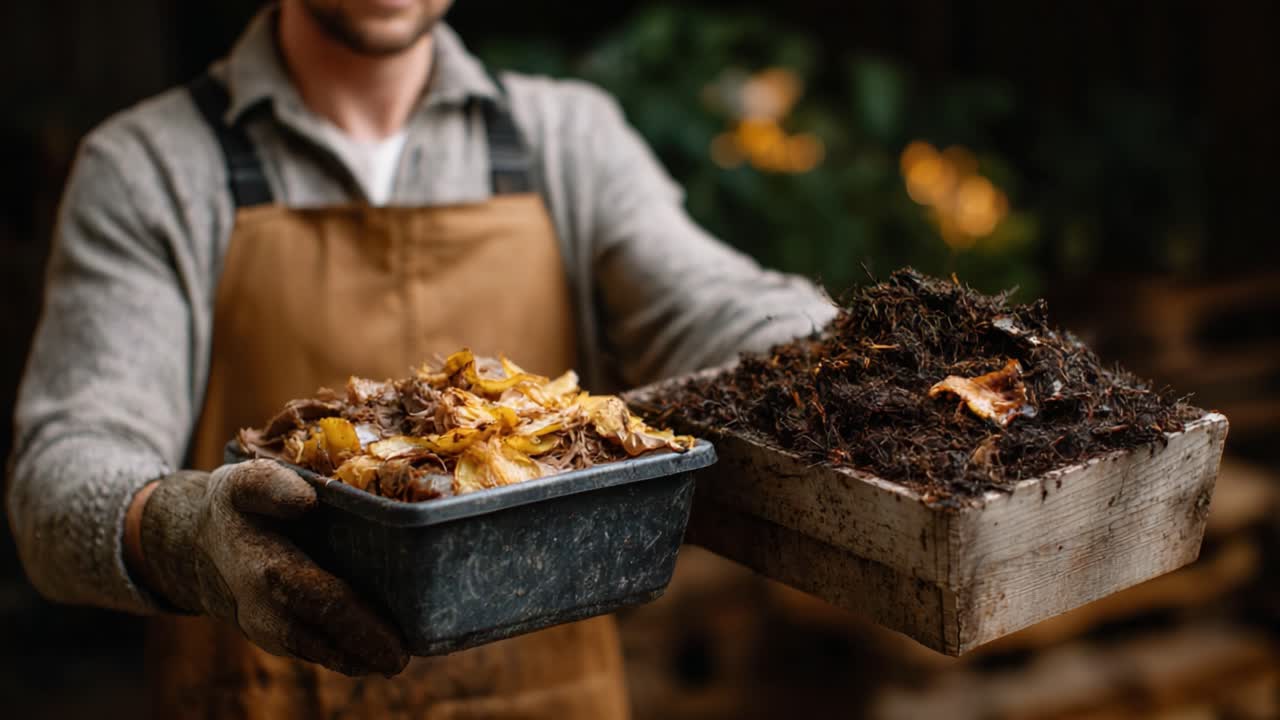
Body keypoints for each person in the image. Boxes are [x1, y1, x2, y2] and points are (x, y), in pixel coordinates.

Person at [8, 1, 836, 717]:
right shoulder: (151, 166)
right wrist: (192, 541)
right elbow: (56, 486)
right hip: (263, 697)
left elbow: (712, 306)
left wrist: (837, 347)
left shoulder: (565, 137)